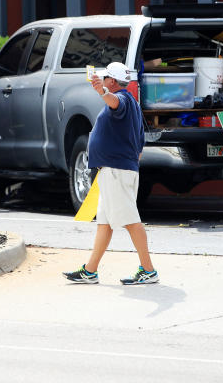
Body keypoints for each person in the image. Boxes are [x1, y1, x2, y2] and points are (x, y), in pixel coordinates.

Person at [63, 61, 158, 285]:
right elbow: (139, 143)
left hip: (117, 172)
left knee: (131, 221)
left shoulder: (122, 100)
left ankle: (149, 270)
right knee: (104, 223)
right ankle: (90, 270)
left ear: (112, 81)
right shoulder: (132, 103)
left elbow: (114, 102)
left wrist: (102, 92)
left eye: (105, 79)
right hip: (114, 172)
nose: (103, 81)